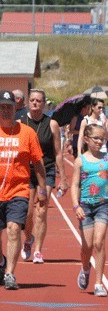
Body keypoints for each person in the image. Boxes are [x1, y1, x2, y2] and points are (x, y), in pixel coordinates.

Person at [0, 90, 47, 290]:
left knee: (14, 229)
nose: (5, 111)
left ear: (16, 109)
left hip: (19, 191)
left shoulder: (27, 133)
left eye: (9, 107)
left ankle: (10, 273)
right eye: (2, 107)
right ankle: (0, 262)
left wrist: (42, 189)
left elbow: (38, 163)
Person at [19, 89, 68, 264]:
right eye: (32, 100)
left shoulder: (52, 124)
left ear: (44, 103)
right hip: (25, 172)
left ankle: (38, 250)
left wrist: (63, 178)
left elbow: (58, 153)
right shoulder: (20, 123)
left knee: (41, 211)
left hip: (46, 170)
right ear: (27, 102)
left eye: (38, 101)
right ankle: (28, 239)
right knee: (26, 213)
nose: (34, 103)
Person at [70, 124, 108, 297]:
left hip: (103, 205)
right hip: (85, 206)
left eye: (103, 138)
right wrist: (76, 205)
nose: (100, 142)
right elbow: (75, 185)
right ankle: (85, 269)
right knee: (87, 246)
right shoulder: (80, 161)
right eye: (97, 138)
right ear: (86, 139)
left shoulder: (106, 158)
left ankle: (99, 282)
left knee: (99, 243)